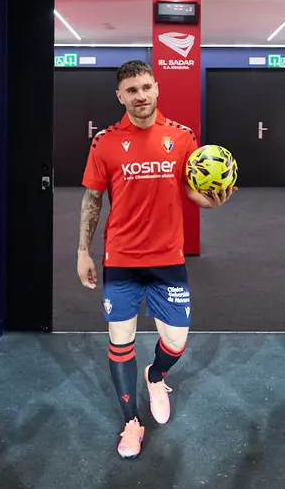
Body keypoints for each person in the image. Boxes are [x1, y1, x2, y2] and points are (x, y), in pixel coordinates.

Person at [77, 59, 234, 458]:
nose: (140, 96)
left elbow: (192, 190)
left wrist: (212, 201)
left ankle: (156, 374)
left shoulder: (182, 137)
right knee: (120, 340)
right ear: (120, 96)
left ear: (157, 88)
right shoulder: (106, 141)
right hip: (122, 260)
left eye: (146, 87)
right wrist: (83, 251)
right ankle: (131, 422)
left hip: (167, 259)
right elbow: (93, 198)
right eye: (131, 90)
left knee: (177, 340)